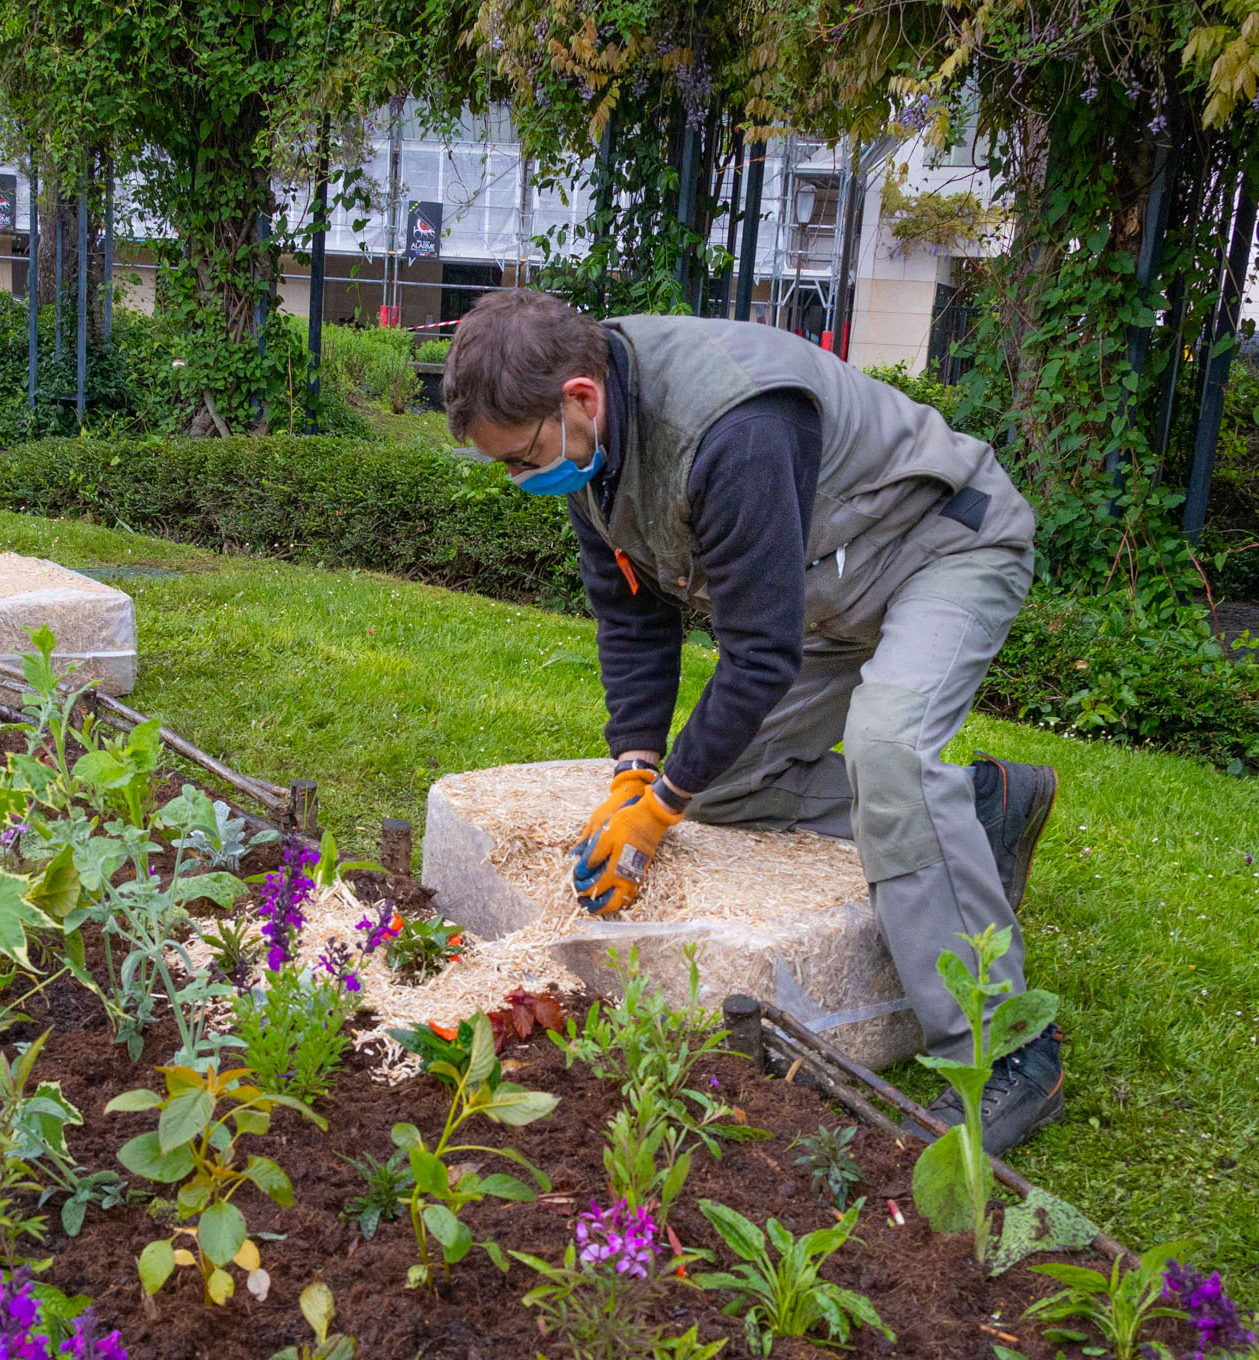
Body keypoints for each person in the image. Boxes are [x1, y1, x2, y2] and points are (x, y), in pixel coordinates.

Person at [443, 288, 1064, 1153]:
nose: (521, 479)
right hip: (825, 585)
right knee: (722, 788)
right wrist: (634, 771)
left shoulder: (732, 425)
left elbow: (761, 655)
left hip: (942, 547)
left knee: (888, 753)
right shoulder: (592, 453)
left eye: (522, 457)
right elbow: (632, 616)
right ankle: (977, 806)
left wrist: (657, 810)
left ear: (580, 398)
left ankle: (1011, 1053)